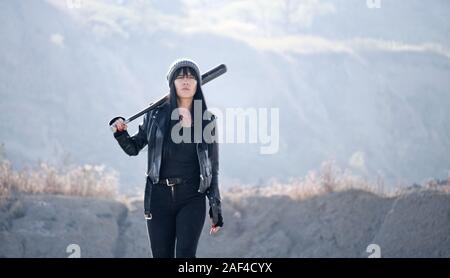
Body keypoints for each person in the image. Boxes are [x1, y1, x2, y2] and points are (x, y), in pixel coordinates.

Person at [111, 58, 223, 258]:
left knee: (186, 256)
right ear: (172, 83)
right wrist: (121, 133)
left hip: (192, 197)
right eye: (180, 77)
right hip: (158, 197)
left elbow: (212, 168)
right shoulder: (155, 114)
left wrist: (215, 206)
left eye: (191, 77)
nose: (186, 81)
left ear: (198, 83)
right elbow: (133, 148)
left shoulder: (207, 120)